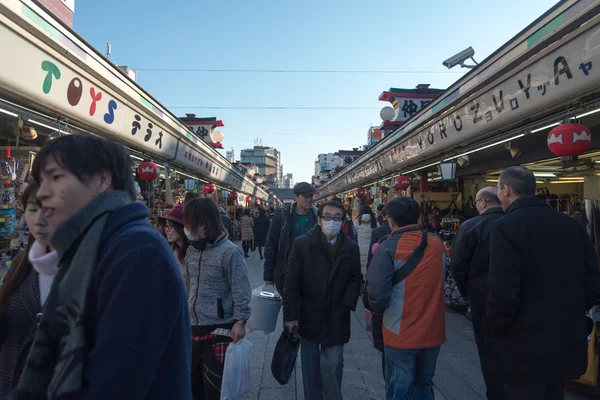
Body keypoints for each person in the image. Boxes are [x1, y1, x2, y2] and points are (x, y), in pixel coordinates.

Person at [19, 134, 191, 399]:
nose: (41, 193)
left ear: (102, 180)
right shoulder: (90, 247)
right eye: (41, 181)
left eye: (55, 177)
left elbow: (113, 384)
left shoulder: (138, 253)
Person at [485, 166, 600, 400]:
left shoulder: (506, 227)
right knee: (554, 391)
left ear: (506, 189)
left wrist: (493, 329)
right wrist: (573, 308)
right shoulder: (570, 225)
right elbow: (592, 281)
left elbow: (503, 291)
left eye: (498, 188)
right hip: (566, 333)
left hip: (523, 341)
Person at [367, 197, 446, 400]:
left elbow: (377, 292)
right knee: (424, 384)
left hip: (399, 330)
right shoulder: (436, 243)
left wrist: (375, 309)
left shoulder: (388, 247)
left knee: (398, 389)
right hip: (433, 330)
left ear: (391, 221)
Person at [283, 200, 362, 400]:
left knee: (334, 363)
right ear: (319, 219)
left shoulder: (350, 247)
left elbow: (356, 277)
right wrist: (290, 316)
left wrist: (347, 303)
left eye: (337, 218)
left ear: (343, 221)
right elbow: (291, 282)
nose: (332, 222)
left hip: (337, 314)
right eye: (327, 217)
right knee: (310, 368)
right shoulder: (302, 244)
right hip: (309, 314)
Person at [182, 198, 251, 400]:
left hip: (219, 330)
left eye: (189, 223)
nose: (186, 228)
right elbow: (187, 285)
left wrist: (240, 321)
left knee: (214, 390)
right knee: (193, 389)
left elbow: (241, 289)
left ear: (203, 224)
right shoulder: (191, 251)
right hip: (192, 329)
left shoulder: (230, 252)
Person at [0, 181, 58, 398]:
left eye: (48, 209)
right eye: (32, 209)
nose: (38, 219)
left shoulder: (87, 271)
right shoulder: (21, 266)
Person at [450, 187, 505, 400]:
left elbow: (457, 264)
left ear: (481, 203)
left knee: (486, 347)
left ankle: (496, 392)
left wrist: (467, 292)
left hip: (482, 295)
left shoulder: (471, 226)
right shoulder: (514, 223)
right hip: (517, 295)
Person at [264, 182, 318, 294]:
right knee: (290, 308)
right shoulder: (282, 216)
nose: (309, 199)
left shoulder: (318, 216)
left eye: (311, 196)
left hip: (312, 273)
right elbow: (271, 245)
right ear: (296, 197)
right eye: (305, 196)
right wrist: (268, 275)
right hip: (287, 272)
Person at [161, 204, 189, 269]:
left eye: (171, 226)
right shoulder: (170, 250)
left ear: (181, 227)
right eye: (166, 226)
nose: (167, 230)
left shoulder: (192, 252)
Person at [354, 205, 379, 276]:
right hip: (372, 247)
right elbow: (378, 230)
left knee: (362, 266)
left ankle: (363, 282)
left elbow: (354, 232)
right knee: (371, 265)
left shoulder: (357, 221)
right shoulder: (374, 221)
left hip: (361, 247)